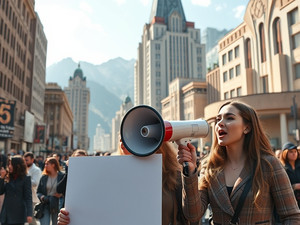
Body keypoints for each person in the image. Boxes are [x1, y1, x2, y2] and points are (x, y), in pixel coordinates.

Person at [177, 101, 300, 224]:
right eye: (218, 119)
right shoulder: (210, 167)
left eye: (229, 118)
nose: (220, 123)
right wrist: (190, 171)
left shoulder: (268, 164)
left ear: (247, 127)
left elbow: (292, 216)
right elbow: (192, 215)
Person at [58, 141, 192, 225]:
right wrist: (70, 220)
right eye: (122, 139)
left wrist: (190, 174)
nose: (125, 143)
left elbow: (193, 217)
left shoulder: (174, 177)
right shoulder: (107, 178)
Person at [0, 155, 33, 225]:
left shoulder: (26, 179)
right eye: (8, 164)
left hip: (18, 214)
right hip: (6, 213)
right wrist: (2, 178)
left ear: (17, 165)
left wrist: (29, 213)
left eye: (11, 164)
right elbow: (1, 191)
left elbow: (28, 197)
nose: (9, 166)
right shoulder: (7, 176)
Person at [37, 157, 64, 225]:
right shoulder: (44, 177)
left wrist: (61, 195)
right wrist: (42, 197)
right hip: (45, 203)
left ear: (53, 165)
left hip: (57, 204)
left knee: (56, 223)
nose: (45, 166)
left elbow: (67, 190)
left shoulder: (62, 176)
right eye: (45, 164)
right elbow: (38, 191)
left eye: (47, 164)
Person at [24, 152, 42, 225]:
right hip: (24, 197)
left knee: (31, 219)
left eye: (27, 160)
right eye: (24, 160)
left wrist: (24, 179)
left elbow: (35, 183)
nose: (25, 162)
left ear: (32, 160)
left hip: (32, 198)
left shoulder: (36, 170)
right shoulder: (24, 169)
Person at [280, 142, 300, 208]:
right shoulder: (282, 168)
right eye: (291, 152)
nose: (294, 153)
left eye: (295, 151)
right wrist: (293, 186)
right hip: (289, 201)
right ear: (285, 153)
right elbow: (280, 187)